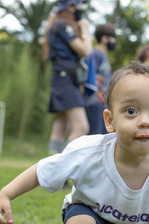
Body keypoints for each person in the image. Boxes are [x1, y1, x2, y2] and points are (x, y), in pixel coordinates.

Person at [0, 62, 149, 224]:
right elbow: (42, 171)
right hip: (92, 214)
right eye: (131, 111)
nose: (144, 122)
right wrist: (6, 194)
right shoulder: (87, 152)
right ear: (110, 121)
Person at [42, 0, 92, 155]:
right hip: (65, 80)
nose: (81, 8)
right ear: (70, 7)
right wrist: (85, 29)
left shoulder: (56, 25)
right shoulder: (63, 25)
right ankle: (59, 168)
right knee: (81, 127)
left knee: (60, 128)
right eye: (79, 5)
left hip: (61, 79)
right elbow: (85, 50)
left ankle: (53, 172)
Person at [86, 24, 116, 135]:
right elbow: (90, 77)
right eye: (112, 38)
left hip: (102, 103)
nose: (114, 42)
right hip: (94, 102)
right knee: (95, 135)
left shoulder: (104, 56)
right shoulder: (96, 55)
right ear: (104, 38)